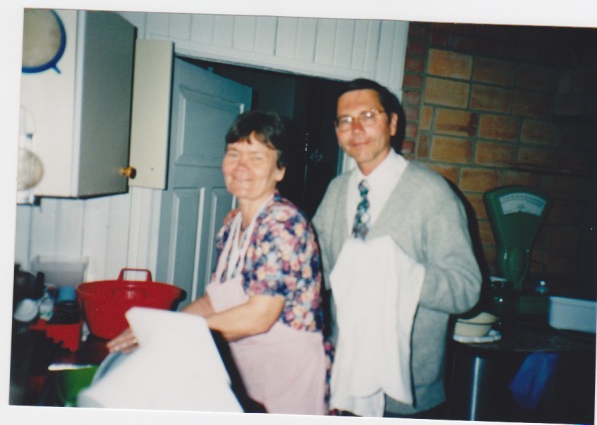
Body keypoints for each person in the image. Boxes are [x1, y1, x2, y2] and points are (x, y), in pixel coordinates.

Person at [108, 111, 328, 416]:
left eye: (257, 158)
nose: (241, 167)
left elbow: (259, 316)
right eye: (234, 154)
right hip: (247, 366)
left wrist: (170, 334)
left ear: (279, 170)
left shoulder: (283, 222)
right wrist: (158, 327)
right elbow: (216, 299)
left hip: (289, 374)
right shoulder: (232, 225)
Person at [313, 78, 481, 418]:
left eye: (368, 116)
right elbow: (317, 269)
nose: (356, 129)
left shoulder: (432, 193)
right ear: (337, 132)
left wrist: (405, 274)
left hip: (408, 393)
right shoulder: (336, 191)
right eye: (345, 120)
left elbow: (467, 290)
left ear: (392, 124)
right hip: (346, 380)